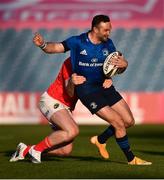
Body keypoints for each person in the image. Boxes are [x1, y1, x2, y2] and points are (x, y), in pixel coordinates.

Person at [32, 14, 152, 165]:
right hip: (87, 90)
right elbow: (55, 47)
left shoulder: (109, 44)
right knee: (118, 122)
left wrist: (124, 65)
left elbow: (114, 67)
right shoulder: (77, 42)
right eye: (106, 30)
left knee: (128, 121)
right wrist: (43, 44)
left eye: (110, 30)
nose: (108, 33)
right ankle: (131, 159)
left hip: (104, 86)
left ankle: (100, 140)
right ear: (95, 29)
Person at [10, 57, 112, 163]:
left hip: (66, 107)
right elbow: (70, 93)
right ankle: (36, 150)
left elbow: (115, 63)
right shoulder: (70, 62)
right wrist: (72, 82)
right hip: (52, 99)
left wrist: (108, 78)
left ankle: (25, 150)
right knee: (72, 131)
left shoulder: (94, 63)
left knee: (64, 150)